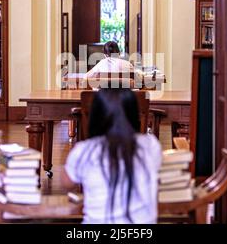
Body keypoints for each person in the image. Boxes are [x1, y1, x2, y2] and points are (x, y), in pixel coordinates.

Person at [62, 89, 162, 224]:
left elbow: (67, 183)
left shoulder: (84, 151)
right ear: (133, 114)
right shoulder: (150, 145)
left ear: (95, 116)